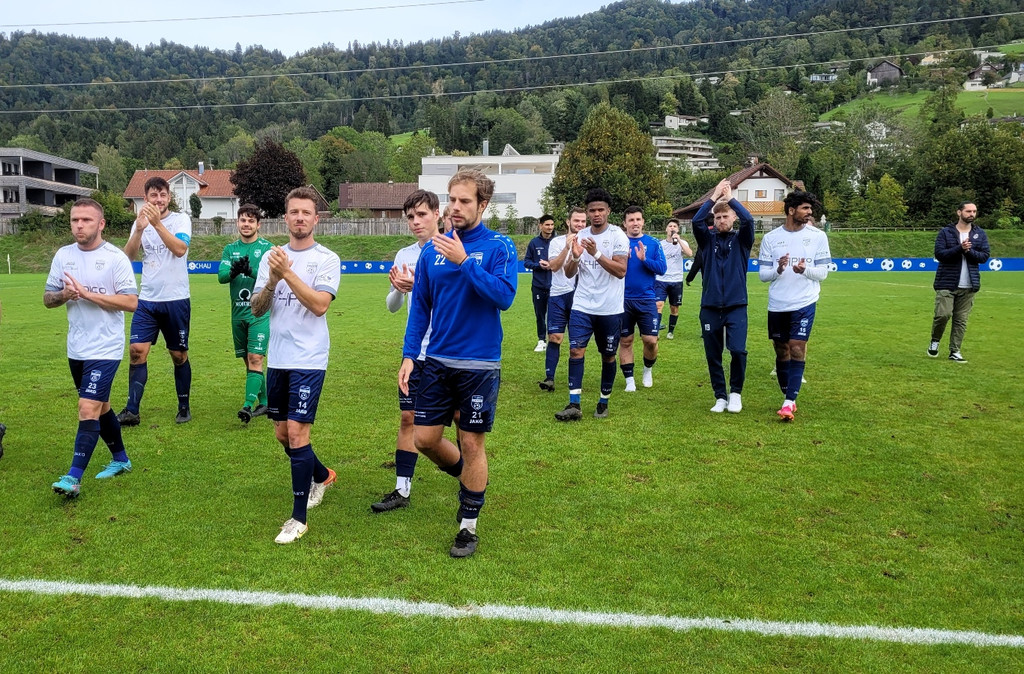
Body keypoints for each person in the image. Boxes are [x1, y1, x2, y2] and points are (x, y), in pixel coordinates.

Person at [399, 169, 517, 558]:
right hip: (436, 362)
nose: (456, 207)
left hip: (480, 366)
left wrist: (466, 261)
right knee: (425, 438)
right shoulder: (433, 249)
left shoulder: (500, 246)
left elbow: (503, 297)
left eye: (465, 200)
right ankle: (469, 477)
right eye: (452, 199)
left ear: (483, 204)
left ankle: (468, 525)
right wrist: (409, 355)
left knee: (471, 441)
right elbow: (420, 308)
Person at [251, 187, 340, 544]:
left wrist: (286, 274)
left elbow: (319, 305)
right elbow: (257, 308)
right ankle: (322, 475)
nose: (300, 218)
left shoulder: (327, 259)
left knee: (299, 434)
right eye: (294, 212)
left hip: (309, 358)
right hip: (280, 358)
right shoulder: (271, 259)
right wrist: (273, 279)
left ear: (316, 219)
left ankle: (298, 518)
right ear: (285, 218)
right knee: (282, 434)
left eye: (307, 212)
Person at [44, 199, 138, 497]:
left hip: (106, 347)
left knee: (87, 408)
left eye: (86, 220)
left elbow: (131, 302)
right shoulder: (63, 256)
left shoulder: (115, 258)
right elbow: (47, 299)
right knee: (101, 407)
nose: (79, 225)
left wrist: (86, 294)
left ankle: (73, 478)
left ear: (101, 224)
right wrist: (64, 294)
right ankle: (121, 459)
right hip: (77, 347)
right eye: (74, 220)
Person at [373, 189, 442, 513]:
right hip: (416, 352)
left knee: (458, 422)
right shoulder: (404, 255)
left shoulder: (452, 250)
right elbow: (391, 307)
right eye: (411, 217)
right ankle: (402, 489)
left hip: (448, 352)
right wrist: (399, 290)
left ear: (437, 214)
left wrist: (422, 286)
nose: (416, 222)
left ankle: (467, 478)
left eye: (422, 215)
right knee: (407, 417)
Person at [117, 177, 193, 426]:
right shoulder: (139, 223)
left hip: (176, 299)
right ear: (145, 198)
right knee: (137, 352)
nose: (158, 199)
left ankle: (183, 406)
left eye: (162, 195)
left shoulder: (180, 220)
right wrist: (139, 228)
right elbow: (127, 257)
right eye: (153, 195)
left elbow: (180, 249)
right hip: (147, 299)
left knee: (178, 355)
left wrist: (157, 224)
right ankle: (131, 411)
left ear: (169, 197)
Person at [554, 188, 629, 421]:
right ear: (587, 212)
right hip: (582, 306)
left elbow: (621, 271)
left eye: (600, 210)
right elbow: (568, 274)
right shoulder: (579, 236)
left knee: (608, 355)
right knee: (576, 350)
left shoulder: (618, 236)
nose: (596, 214)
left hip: (610, 308)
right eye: (592, 210)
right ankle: (574, 404)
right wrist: (575, 256)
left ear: (608, 211)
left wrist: (596, 254)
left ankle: (603, 402)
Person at [758, 191, 831, 421]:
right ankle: (787, 395)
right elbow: (762, 275)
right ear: (791, 211)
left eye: (810, 209)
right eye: (805, 209)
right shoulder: (771, 238)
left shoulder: (818, 236)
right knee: (781, 349)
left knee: (797, 347)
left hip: (804, 302)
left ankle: (789, 402)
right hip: (778, 303)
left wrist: (804, 270)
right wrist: (779, 269)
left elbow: (823, 273)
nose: (810, 213)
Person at [691, 180, 755, 413]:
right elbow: (696, 221)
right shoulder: (707, 241)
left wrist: (731, 199)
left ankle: (735, 392)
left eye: (725, 216)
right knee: (713, 354)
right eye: (717, 217)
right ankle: (720, 396)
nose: (721, 221)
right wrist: (714, 195)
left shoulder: (742, 240)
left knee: (738, 350)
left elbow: (749, 220)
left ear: (733, 217)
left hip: (736, 305)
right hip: (710, 306)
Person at [218, 204, 273, 423]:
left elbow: (268, 276)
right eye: (243, 220)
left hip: (258, 312)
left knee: (255, 357)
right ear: (237, 223)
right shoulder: (230, 250)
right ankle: (266, 402)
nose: (246, 224)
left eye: (251, 220)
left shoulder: (267, 248)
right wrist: (233, 270)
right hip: (237, 313)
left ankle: (247, 406)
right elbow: (221, 276)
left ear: (258, 225)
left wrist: (249, 270)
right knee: (248, 361)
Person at [929, 202, 990, 363]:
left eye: (974, 211)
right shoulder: (946, 232)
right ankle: (935, 340)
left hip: (969, 285)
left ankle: (954, 351)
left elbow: (984, 257)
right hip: (946, 283)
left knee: (960, 320)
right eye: (968, 211)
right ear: (959, 212)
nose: (972, 214)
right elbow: (940, 254)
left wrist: (969, 251)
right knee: (943, 315)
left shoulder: (980, 234)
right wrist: (960, 248)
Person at [538, 207, 587, 392]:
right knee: (555, 337)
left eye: (583, 221)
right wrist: (567, 247)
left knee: (577, 343)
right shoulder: (557, 242)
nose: (580, 225)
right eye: (576, 221)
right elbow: (554, 267)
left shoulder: (590, 242)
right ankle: (549, 378)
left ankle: (574, 382)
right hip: (558, 295)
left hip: (580, 297)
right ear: (568, 222)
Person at [619, 206, 667, 391]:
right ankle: (629, 380)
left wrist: (644, 259)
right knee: (626, 341)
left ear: (643, 221)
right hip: (623, 299)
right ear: (625, 223)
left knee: (651, 340)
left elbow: (662, 268)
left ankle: (647, 369)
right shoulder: (619, 243)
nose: (635, 223)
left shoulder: (654, 243)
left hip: (647, 299)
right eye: (631, 220)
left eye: (638, 219)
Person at [655, 219, 692, 339]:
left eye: (674, 226)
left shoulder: (682, 243)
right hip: (661, 279)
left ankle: (670, 331)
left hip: (676, 280)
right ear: (666, 229)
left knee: (674, 308)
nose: (672, 228)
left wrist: (679, 240)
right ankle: (656, 331)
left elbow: (689, 254)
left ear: (678, 229)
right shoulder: (660, 244)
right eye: (670, 226)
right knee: (658, 305)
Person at [523, 214, 555, 352]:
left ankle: (554, 340)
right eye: (547, 225)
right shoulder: (534, 243)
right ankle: (541, 340)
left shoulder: (558, 242)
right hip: (538, 286)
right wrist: (538, 265)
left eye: (552, 225)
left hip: (555, 286)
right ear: (540, 226)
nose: (550, 227)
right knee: (540, 315)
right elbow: (526, 262)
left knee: (555, 315)